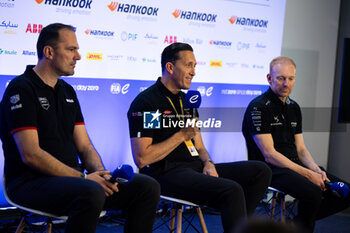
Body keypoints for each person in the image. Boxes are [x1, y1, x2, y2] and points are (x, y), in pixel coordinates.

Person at [0, 23, 160, 233]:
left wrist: (100, 174)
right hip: (29, 184)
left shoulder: (67, 91)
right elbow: (31, 155)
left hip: (73, 181)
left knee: (147, 187)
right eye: (71, 49)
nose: (78, 56)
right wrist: (84, 179)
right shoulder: (21, 89)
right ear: (49, 52)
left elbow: (84, 146)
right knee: (91, 191)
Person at [127, 42, 271, 233]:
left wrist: (208, 162)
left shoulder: (187, 102)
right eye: (188, 65)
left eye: (195, 66)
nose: (193, 72)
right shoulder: (149, 102)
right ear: (170, 67)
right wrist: (181, 135)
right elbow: (143, 158)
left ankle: (243, 228)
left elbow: (199, 146)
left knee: (260, 171)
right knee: (232, 190)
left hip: (195, 168)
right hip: (165, 173)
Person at [242, 56, 350, 233]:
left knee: (346, 192)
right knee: (313, 193)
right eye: (280, 78)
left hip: (294, 166)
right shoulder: (258, 107)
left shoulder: (294, 107)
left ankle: (294, 225)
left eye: (290, 78)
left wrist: (316, 170)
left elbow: (300, 148)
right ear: (269, 78)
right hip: (271, 169)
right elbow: (270, 154)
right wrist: (308, 175)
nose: (286, 84)